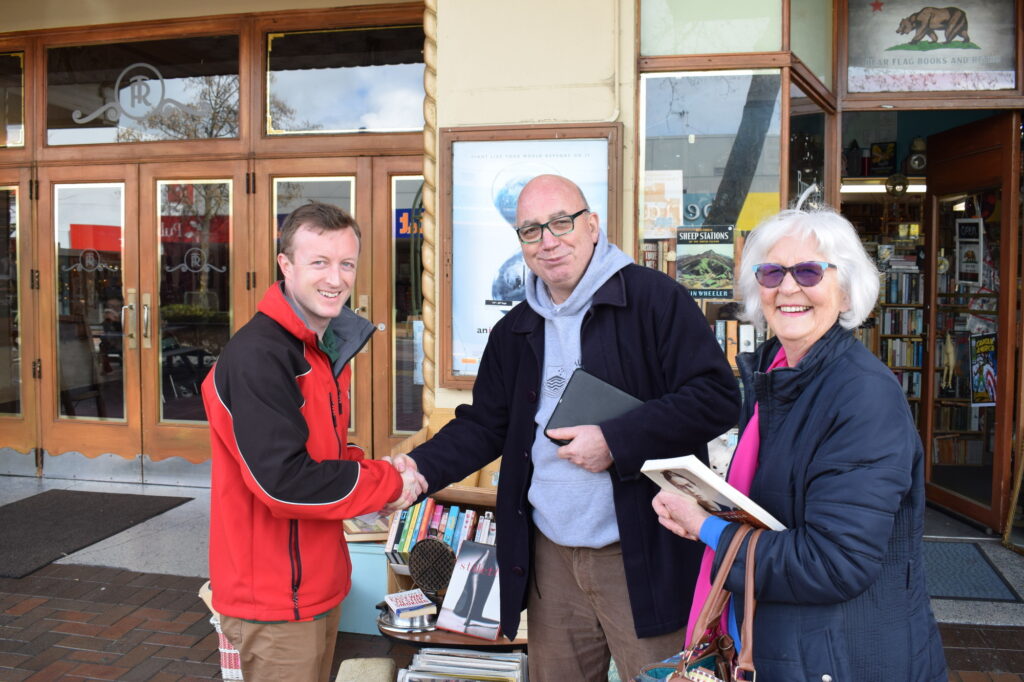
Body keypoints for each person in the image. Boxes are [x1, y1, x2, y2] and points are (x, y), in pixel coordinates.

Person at [393, 174, 740, 680]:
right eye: (531, 230)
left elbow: (716, 399)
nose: (548, 241)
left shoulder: (655, 300)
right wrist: (418, 470)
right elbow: (485, 427)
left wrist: (615, 441)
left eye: (561, 222)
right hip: (550, 558)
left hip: (641, 553)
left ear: (593, 225)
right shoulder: (515, 329)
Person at [652, 208, 946, 681]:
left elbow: (833, 563)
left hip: (844, 658)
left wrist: (706, 526)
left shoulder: (862, 396)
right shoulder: (777, 375)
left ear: (845, 290)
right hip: (787, 645)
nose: (788, 288)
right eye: (771, 272)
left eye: (809, 271)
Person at [201, 202, 425, 682]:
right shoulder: (261, 355)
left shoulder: (315, 346)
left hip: (315, 583)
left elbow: (322, 454)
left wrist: (369, 474)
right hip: (275, 597)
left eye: (346, 263)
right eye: (319, 262)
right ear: (286, 266)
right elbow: (285, 482)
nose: (336, 278)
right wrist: (387, 483)